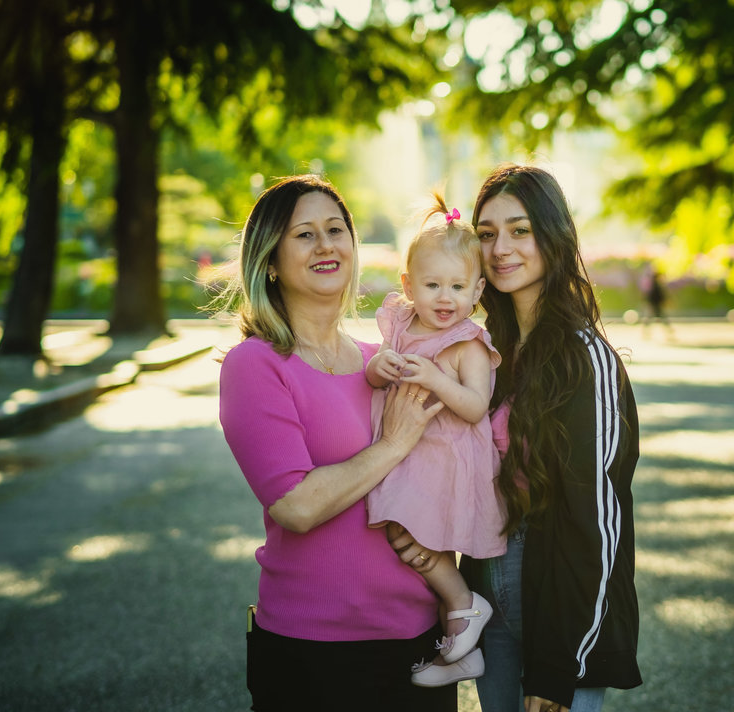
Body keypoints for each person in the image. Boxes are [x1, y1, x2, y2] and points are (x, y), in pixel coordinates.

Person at [390, 164, 643, 712]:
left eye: (520, 230)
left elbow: (598, 519)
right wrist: (426, 536)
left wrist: (559, 668)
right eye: (486, 233)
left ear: (552, 236)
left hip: (553, 583)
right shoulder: (481, 350)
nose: (501, 247)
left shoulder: (584, 357)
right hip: (485, 571)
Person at [216, 174, 455, 711]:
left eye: (335, 229)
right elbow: (296, 506)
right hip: (315, 652)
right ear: (271, 260)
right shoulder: (254, 365)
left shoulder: (384, 358)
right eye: (304, 235)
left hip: (419, 640)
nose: (326, 245)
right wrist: (392, 445)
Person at [365, 194, 506, 686]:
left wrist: (437, 378)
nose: (445, 298)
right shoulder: (401, 326)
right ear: (408, 286)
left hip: (447, 460)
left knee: (414, 538)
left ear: (478, 289)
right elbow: (382, 379)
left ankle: (465, 606)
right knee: (404, 537)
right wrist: (378, 368)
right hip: (406, 454)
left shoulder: (469, 342)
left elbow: (474, 407)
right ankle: (463, 640)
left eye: (457, 286)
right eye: (432, 285)